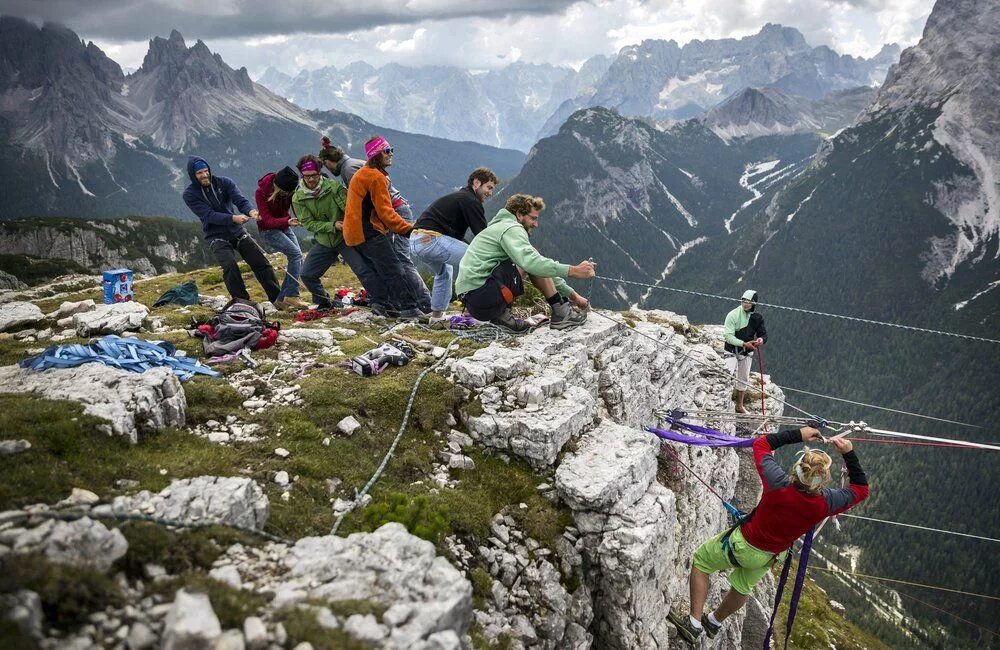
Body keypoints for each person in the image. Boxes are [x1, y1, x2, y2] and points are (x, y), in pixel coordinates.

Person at [668, 427, 869, 644]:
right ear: (823, 480)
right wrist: (849, 453)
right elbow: (861, 489)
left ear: (798, 469)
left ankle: (694, 623)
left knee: (701, 562)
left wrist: (799, 434)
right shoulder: (826, 503)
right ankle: (715, 621)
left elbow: (761, 444)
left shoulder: (777, 483)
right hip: (768, 557)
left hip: (743, 544)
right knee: (742, 587)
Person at [455, 193, 593, 332]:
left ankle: (501, 317)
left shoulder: (498, 227)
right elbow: (533, 263)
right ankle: (561, 312)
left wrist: (573, 295)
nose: (536, 224)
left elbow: (535, 264)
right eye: (533, 218)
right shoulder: (512, 228)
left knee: (530, 259)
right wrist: (573, 270)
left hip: (474, 299)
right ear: (520, 214)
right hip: (483, 294)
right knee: (531, 260)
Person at [342, 136, 429, 320]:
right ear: (377, 154)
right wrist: (409, 230)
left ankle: (382, 305)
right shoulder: (375, 176)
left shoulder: (366, 172)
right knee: (393, 269)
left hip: (355, 231)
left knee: (379, 269)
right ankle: (410, 309)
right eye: (386, 151)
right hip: (367, 231)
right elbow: (386, 213)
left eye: (391, 150)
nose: (391, 154)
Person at [292, 155, 393, 312]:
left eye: (314, 175)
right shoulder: (298, 198)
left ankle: (381, 302)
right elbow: (308, 223)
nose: (311, 179)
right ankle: (323, 301)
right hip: (325, 241)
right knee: (307, 274)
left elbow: (350, 208)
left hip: (345, 238)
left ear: (319, 173)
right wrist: (332, 225)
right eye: (307, 176)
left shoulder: (334, 188)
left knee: (363, 270)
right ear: (302, 175)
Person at [182, 156, 281, 304]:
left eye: (205, 171)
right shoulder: (190, 194)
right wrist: (233, 218)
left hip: (237, 232)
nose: (204, 175)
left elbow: (240, 201)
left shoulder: (224, 182)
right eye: (199, 173)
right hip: (216, 236)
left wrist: (251, 212)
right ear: (193, 175)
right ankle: (243, 302)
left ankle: (277, 299)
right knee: (230, 266)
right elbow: (209, 215)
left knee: (260, 261)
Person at [410, 167, 498, 318]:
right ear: (476, 183)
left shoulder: (461, 197)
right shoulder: (471, 200)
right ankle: (477, 312)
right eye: (489, 187)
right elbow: (484, 235)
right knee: (477, 261)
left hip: (416, 241)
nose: (490, 193)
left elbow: (455, 237)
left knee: (444, 272)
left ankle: (436, 317)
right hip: (431, 239)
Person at [255, 166, 308, 310]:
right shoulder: (261, 193)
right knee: (296, 255)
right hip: (268, 231)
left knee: (298, 257)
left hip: (285, 226)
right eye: (286, 193)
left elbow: (295, 205)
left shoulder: (288, 191)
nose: (288, 195)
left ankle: (281, 300)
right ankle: (292, 295)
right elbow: (267, 220)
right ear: (278, 188)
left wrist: (299, 218)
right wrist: (287, 221)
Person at [723, 289, 767, 413]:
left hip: (747, 352)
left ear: (754, 303)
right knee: (726, 375)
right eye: (744, 301)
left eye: (749, 301)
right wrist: (743, 344)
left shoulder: (757, 318)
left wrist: (760, 340)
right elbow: (728, 336)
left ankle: (739, 405)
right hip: (731, 350)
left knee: (743, 378)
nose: (745, 304)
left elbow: (763, 334)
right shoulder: (733, 315)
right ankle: (723, 402)